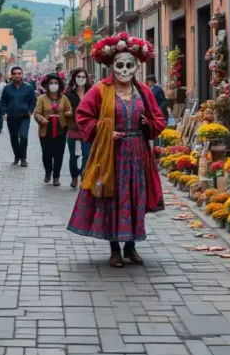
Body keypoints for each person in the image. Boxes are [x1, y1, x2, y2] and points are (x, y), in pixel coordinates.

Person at [67, 33, 166, 268]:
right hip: (111, 154)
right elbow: (83, 116)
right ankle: (114, 249)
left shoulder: (143, 91)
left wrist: (147, 124)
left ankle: (131, 246)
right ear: (111, 66)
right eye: (119, 65)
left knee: (135, 199)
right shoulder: (100, 90)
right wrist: (105, 132)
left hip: (138, 154)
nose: (124, 70)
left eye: (129, 65)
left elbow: (159, 118)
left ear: (136, 68)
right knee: (112, 199)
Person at [34, 73, 72, 186]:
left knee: (59, 154)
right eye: (51, 83)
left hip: (60, 130)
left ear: (59, 85)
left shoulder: (64, 98)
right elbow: (37, 113)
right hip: (46, 130)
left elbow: (70, 110)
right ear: (47, 85)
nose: (53, 85)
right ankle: (48, 172)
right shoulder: (41, 98)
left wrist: (65, 113)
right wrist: (42, 119)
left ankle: (56, 176)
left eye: (56, 83)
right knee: (46, 153)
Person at [1, 67, 37, 167]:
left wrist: (30, 111)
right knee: (14, 137)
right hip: (11, 117)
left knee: (23, 136)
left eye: (19, 73)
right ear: (12, 75)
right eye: (15, 73)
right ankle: (17, 156)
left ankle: (23, 158)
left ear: (22, 74)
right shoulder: (7, 88)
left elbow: (33, 100)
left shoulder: (28, 87)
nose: (17, 75)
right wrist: (3, 112)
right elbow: (3, 101)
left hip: (24, 116)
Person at [65, 68, 92, 189]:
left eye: (83, 77)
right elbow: (63, 109)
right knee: (74, 156)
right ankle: (74, 177)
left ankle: (83, 176)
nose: (81, 79)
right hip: (73, 129)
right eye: (79, 77)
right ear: (75, 78)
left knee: (87, 155)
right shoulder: (69, 94)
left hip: (87, 129)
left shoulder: (91, 93)